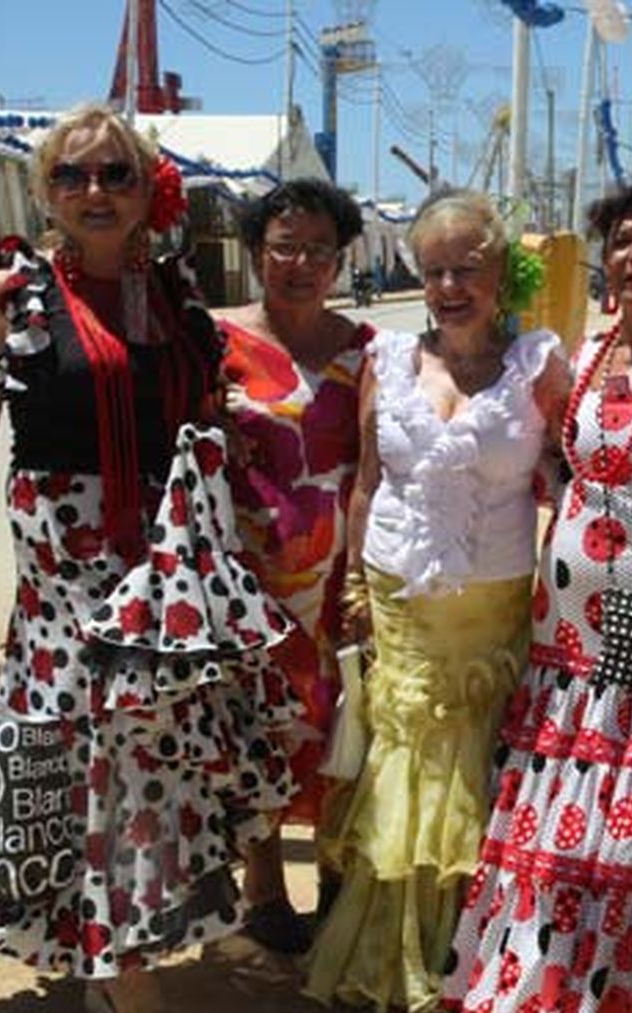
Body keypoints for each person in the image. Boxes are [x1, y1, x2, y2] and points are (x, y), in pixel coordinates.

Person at [0, 104, 296, 1013]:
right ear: (44, 190)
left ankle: (115, 950)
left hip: (166, 570)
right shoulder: (7, 296)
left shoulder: (172, 296)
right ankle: (118, 975)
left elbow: (205, 415)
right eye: (73, 175)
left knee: (154, 763)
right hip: (66, 572)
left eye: (115, 174)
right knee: (101, 763)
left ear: (147, 190)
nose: (94, 192)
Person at [441, 181, 632, 1013]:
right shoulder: (578, 356)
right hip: (569, 630)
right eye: (622, 242)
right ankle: (550, 989)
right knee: (564, 820)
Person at [302, 191, 569, 1013]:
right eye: (435, 270)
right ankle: (389, 957)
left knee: (476, 764)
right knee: (400, 761)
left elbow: (568, 473)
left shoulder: (538, 365)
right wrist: (353, 583)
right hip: (398, 597)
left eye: (468, 269)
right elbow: (366, 482)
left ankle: (471, 962)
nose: (451, 287)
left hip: (493, 604)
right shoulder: (386, 359)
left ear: (502, 272)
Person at [217, 179, 372, 953]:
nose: (302, 264)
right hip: (248, 578)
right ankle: (265, 886)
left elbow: (377, 465)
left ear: (340, 261)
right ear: (256, 253)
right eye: (285, 247)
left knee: (343, 722)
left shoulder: (366, 349)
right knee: (258, 724)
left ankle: (335, 877)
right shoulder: (214, 340)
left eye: (319, 250)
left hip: (340, 574)